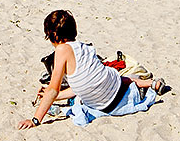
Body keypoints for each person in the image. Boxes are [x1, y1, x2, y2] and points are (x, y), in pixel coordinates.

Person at [18, 10, 163, 130]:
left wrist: (35, 120)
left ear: (53, 36)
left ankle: (149, 84)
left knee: (111, 83)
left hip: (105, 105)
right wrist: (55, 98)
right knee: (123, 78)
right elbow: (83, 85)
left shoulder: (62, 50)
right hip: (115, 89)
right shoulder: (85, 48)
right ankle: (151, 83)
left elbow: (53, 89)